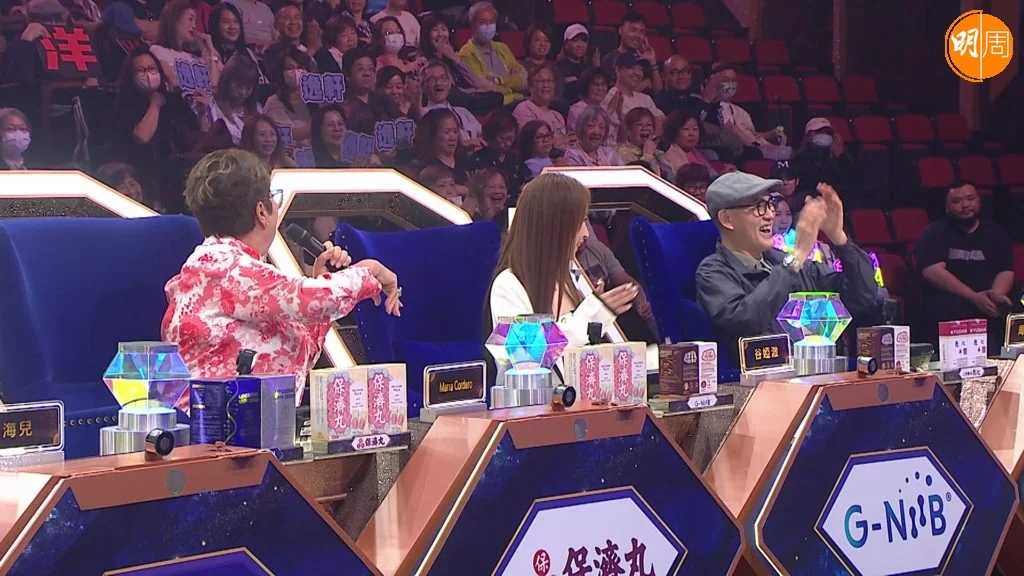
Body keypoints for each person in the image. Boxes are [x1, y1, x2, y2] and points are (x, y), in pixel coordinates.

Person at [162, 149, 402, 389]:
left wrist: (322, 279)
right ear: (261, 212)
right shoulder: (226, 268)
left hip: (255, 411)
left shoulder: (224, 265)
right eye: (273, 197)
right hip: (212, 412)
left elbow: (300, 348)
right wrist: (369, 271)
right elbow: (315, 299)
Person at [695, 172, 877, 363]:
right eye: (759, 207)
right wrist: (796, 257)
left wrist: (839, 238)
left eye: (770, 204)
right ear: (727, 219)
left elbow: (864, 296)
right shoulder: (713, 273)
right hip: (762, 378)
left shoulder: (787, 263)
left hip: (819, 371)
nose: (770, 215)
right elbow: (746, 320)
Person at [487, 172, 639, 361]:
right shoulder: (508, 285)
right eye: (580, 222)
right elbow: (521, 355)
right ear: (554, 226)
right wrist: (589, 318)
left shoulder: (571, 275)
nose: (586, 233)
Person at [916, 183, 1014, 350]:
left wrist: (995, 295)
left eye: (970, 199)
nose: (965, 205)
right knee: (949, 307)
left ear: (979, 201)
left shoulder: (996, 233)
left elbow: (1005, 270)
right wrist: (974, 298)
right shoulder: (934, 232)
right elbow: (933, 272)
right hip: (950, 300)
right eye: (957, 201)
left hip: (987, 299)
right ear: (946, 207)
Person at [458, 1, 527, 105]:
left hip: (517, 103)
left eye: (491, 22)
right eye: (483, 22)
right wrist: (512, 89)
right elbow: (486, 90)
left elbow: (523, 80)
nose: (488, 26)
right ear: (472, 24)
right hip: (494, 107)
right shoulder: (466, 54)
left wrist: (498, 81)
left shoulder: (503, 47)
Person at [602, 52, 664, 144]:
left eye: (640, 69)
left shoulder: (645, 98)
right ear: (618, 70)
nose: (637, 73)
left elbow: (661, 122)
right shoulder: (609, 98)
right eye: (632, 68)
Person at [422, 60, 483, 149]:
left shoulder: (463, 112)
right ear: (423, 86)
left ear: (449, 83)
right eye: (432, 79)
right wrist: (466, 144)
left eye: (442, 78)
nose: (438, 83)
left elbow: (486, 136)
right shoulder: (423, 115)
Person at [599, 11, 660, 91]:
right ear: (621, 30)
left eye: (641, 32)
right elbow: (614, 93)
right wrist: (643, 84)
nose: (637, 35)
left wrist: (652, 62)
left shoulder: (644, 60)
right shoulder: (610, 60)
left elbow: (658, 92)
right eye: (633, 30)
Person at [512, 64, 569, 148]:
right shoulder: (524, 109)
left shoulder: (557, 115)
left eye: (549, 81)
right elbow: (531, 143)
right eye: (540, 81)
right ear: (531, 86)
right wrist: (560, 141)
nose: (546, 85)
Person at [655, 55, 704, 119]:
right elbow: (684, 121)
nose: (681, 76)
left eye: (685, 71)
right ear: (663, 76)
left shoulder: (694, 99)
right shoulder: (660, 100)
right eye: (674, 72)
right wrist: (706, 100)